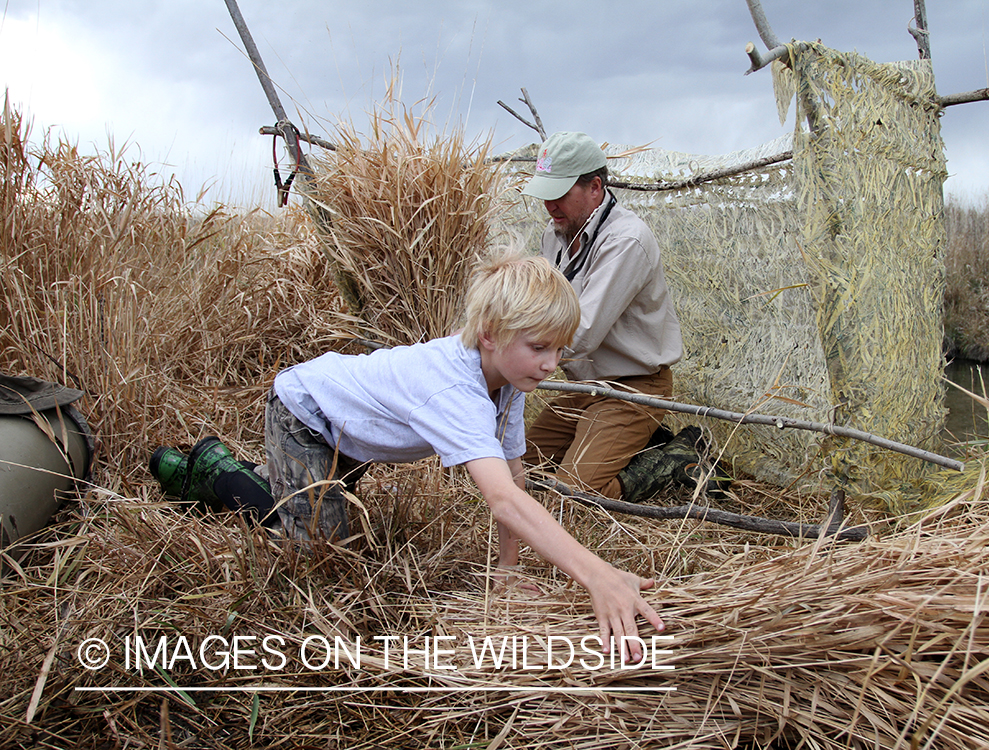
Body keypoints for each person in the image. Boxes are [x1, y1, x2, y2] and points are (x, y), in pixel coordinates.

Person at [149, 252, 663, 660]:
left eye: (559, 349)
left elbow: (514, 475)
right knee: (324, 559)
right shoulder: (454, 390)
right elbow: (503, 501)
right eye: (539, 347)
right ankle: (213, 471)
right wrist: (597, 573)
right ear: (489, 333)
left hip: (354, 435)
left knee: (306, 502)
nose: (552, 364)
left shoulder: (509, 376)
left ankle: (260, 477)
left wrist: (506, 571)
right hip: (306, 415)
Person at [521, 131, 719, 503]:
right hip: (583, 389)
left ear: (595, 187)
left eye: (560, 193)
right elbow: (544, 306)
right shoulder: (558, 233)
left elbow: (579, 334)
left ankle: (673, 459)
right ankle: (635, 444)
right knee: (523, 471)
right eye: (545, 193)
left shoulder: (627, 240)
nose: (549, 204)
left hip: (632, 388)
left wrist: (514, 354)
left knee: (575, 496)